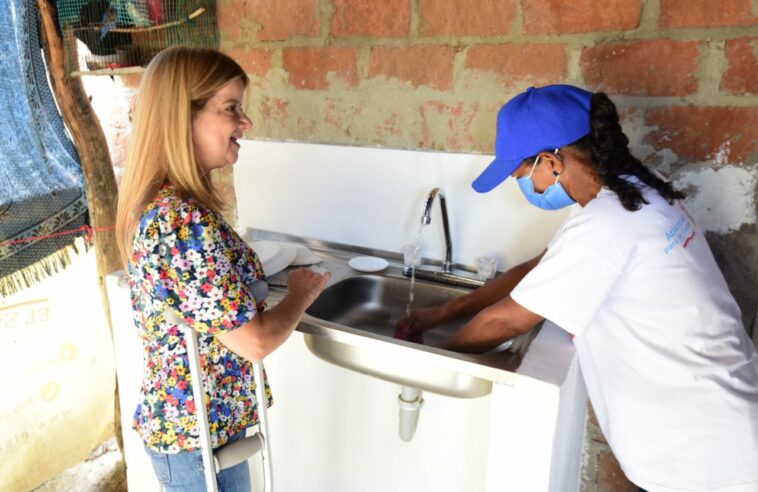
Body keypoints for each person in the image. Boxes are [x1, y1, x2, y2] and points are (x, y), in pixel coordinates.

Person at [398, 84, 758, 492]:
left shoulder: (607, 223)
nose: (526, 187)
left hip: (706, 459)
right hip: (722, 422)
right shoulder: (637, 189)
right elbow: (536, 268)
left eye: (522, 175)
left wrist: (425, 363)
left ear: (551, 162)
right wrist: (439, 314)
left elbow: (506, 322)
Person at [115, 46, 330, 491]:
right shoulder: (180, 222)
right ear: (183, 117)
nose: (245, 122)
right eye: (231, 108)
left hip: (203, 433)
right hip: (195, 442)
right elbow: (254, 342)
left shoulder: (173, 208)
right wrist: (300, 294)